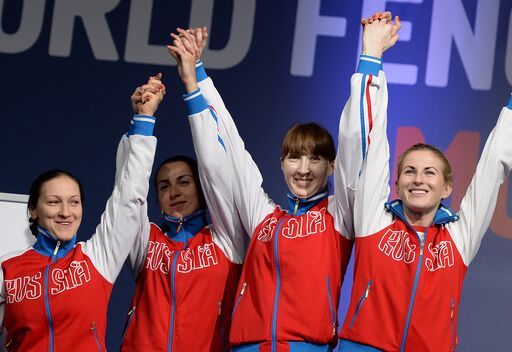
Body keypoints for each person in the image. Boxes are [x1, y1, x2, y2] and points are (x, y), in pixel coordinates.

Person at [167, 19, 399, 350]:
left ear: (332, 165)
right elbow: (226, 152)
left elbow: (359, 143)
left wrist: (370, 57)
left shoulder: (339, 215)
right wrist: (195, 79)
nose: (303, 170)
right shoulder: (264, 217)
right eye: (294, 158)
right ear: (281, 163)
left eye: (315, 159)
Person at [338, 13, 512, 352]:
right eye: (409, 171)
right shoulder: (373, 221)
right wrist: (372, 54)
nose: (419, 179)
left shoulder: (459, 237)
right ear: (396, 183)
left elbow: (493, 167)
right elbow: (369, 140)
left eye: (430, 172)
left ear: (447, 188)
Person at [0, 75, 163, 351]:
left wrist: (143, 121)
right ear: (33, 210)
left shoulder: (96, 257)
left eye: (74, 202)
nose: (66, 212)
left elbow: (128, 195)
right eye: (54, 202)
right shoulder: (8, 268)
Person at [120, 37, 247, 352]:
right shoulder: (146, 241)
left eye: (184, 182)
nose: (174, 191)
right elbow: (128, 192)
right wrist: (143, 119)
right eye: (164, 185)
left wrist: (192, 82)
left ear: (201, 188)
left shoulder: (225, 239)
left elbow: (215, 164)